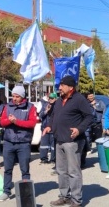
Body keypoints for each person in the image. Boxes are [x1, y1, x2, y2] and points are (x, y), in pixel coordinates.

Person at [42, 76, 93, 207]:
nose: (59, 88)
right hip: (59, 140)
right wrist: (50, 126)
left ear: (70, 87)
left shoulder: (79, 99)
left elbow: (89, 116)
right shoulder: (59, 100)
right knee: (61, 170)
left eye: (62, 85)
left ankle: (76, 200)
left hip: (73, 141)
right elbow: (53, 116)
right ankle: (64, 196)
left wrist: (79, 129)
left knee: (73, 171)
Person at [0, 85, 37, 202]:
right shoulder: (7, 106)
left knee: (25, 170)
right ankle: (6, 192)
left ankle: (26, 195)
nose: (14, 98)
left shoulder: (30, 107)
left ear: (22, 96)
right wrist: (10, 120)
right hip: (9, 142)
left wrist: (16, 121)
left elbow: (32, 123)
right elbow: (2, 122)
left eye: (17, 96)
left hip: (24, 142)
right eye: (13, 96)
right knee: (7, 169)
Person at [39, 93, 57, 164]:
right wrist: (46, 111)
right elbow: (40, 115)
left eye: (52, 98)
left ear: (55, 99)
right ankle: (44, 159)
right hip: (44, 127)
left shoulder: (57, 106)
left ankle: (53, 159)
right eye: (49, 98)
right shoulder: (45, 105)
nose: (50, 100)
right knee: (44, 145)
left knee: (53, 146)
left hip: (53, 129)